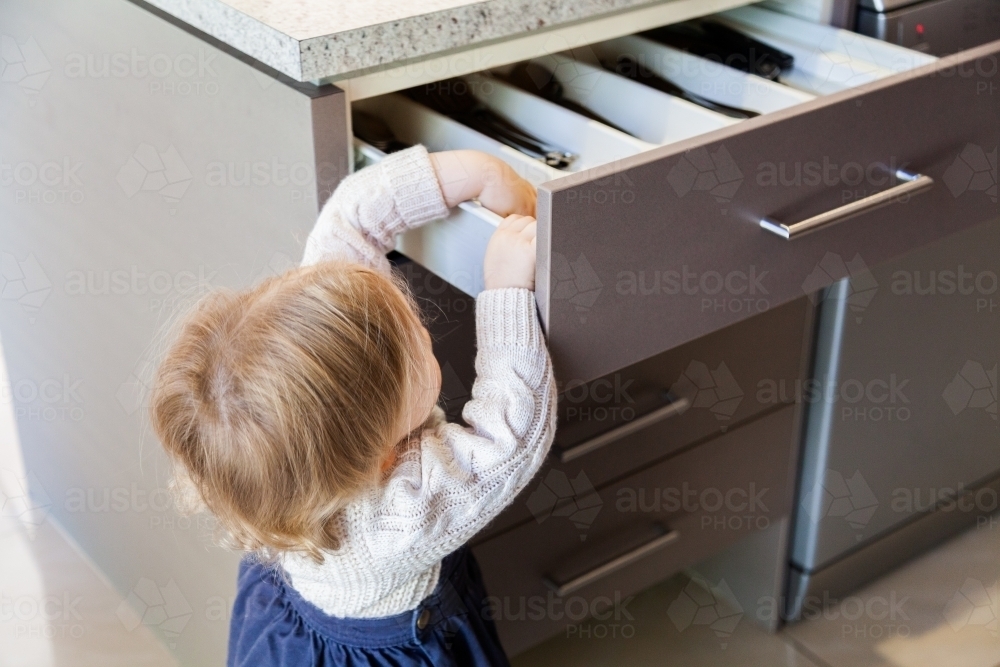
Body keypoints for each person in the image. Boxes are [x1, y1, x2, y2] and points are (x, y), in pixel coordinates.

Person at [149, 145, 557, 666]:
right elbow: (511, 438)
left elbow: (352, 216)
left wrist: (478, 172)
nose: (419, 322)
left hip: (285, 617)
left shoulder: (323, 344)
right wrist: (506, 293)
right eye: (418, 350)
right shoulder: (397, 518)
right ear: (380, 454)